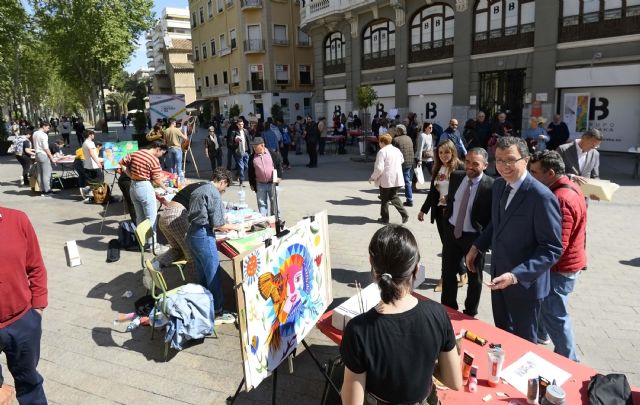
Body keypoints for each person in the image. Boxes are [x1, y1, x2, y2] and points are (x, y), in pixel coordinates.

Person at [341, 225, 462, 405]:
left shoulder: (358, 330)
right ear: (416, 269)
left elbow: (352, 402)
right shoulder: (437, 314)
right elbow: (455, 381)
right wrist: (426, 365)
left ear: (372, 266)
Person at [465, 137, 563, 343]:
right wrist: (477, 246)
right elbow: (497, 224)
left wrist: (515, 275)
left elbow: (551, 248)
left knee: (524, 343)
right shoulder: (499, 186)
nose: (503, 166)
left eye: (510, 160)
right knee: (503, 336)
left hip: (525, 286)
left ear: (525, 160)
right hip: (498, 279)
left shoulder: (541, 197)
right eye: (499, 160)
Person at [529, 150, 586, 360]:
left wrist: (532, 267)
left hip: (560, 269)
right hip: (568, 265)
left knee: (556, 315)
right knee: (549, 308)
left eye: (534, 172)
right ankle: (541, 335)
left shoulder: (560, 198)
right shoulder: (570, 187)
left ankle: (570, 360)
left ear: (550, 173)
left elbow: (556, 246)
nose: (531, 176)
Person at [0, 207, 48, 404]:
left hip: (22, 321)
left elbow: (35, 265)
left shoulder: (17, 220)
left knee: (29, 382)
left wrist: (37, 308)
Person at [186, 168, 243, 324]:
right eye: (225, 187)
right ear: (223, 182)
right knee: (213, 273)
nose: (224, 190)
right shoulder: (214, 193)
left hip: (192, 233)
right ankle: (217, 310)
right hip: (203, 234)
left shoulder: (201, 187)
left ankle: (205, 304)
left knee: (202, 272)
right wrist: (237, 227)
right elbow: (219, 224)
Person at [441, 148, 494, 316]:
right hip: (452, 233)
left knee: (474, 277)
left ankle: (470, 312)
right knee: (448, 273)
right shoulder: (456, 176)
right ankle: (448, 309)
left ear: (485, 165)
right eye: (468, 162)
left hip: (474, 239)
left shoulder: (491, 185)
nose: (470, 166)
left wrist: (483, 241)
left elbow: (493, 217)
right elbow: (453, 200)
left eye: (475, 164)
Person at [418, 139, 465, 292]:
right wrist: (424, 210)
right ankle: (463, 272)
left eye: (447, 152)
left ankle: (445, 279)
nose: (444, 155)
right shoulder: (438, 167)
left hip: (454, 213)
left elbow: (465, 192)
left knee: (448, 248)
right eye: (440, 152)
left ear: (453, 152)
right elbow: (433, 192)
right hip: (440, 213)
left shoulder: (460, 168)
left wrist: (449, 199)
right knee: (448, 245)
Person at [147, 180, 211, 288]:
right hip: (175, 217)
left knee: (178, 249)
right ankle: (196, 287)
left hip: (164, 216)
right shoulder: (208, 190)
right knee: (192, 253)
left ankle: (156, 265)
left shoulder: (197, 185)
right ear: (222, 182)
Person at [119, 141, 172, 245]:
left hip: (133, 186)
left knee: (140, 217)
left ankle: (142, 242)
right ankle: (152, 244)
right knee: (151, 218)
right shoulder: (153, 159)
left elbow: (122, 163)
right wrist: (167, 189)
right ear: (158, 149)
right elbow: (157, 179)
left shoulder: (136, 153)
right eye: (162, 153)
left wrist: (131, 176)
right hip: (144, 187)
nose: (161, 156)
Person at [369, 133, 409, 224]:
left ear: (383, 142)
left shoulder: (382, 152)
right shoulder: (396, 150)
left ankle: (385, 218)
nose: (379, 144)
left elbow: (379, 168)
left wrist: (372, 177)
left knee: (385, 199)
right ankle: (404, 214)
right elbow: (402, 160)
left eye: (380, 142)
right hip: (397, 178)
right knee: (394, 196)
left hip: (386, 179)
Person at [248, 137, 284, 217]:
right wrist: (252, 184)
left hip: (272, 183)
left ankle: (275, 220)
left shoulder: (272, 154)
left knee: (274, 203)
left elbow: (279, 165)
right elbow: (250, 172)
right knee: (262, 204)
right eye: (253, 146)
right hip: (260, 184)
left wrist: (279, 176)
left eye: (255, 146)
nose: (253, 148)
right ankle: (263, 220)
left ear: (262, 145)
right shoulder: (252, 157)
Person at [392, 124, 415, 207]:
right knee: (407, 181)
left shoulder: (396, 139)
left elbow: (392, 153)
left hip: (399, 163)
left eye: (396, 130)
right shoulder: (409, 138)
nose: (395, 131)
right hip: (409, 163)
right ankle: (410, 199)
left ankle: (393, 198)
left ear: (399, 131)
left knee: (395, 181)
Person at [32, 122, 56, 197]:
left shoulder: (35, 133)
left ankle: (42, 190)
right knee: (46, 173)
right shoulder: (44, 135)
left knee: (40, 173)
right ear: (44, 126)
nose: (48, 129)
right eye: (48, 128)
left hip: (37, 154)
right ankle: (47, 190)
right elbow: (46, 148)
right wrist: (52, 157)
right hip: (43, 154)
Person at [231, 120, 251, 186]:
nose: (241, 125)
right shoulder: (234, 132)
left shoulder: (245, 131)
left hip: (246, 151)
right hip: (239, 152)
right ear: (237, 125)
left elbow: (248, 141)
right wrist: (236, 141)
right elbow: (230, 143)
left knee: (246, 166)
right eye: (239, 124)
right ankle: (241, 181)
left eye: (242, 124)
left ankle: (237, 174)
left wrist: (250, 150)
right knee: (241, 167)